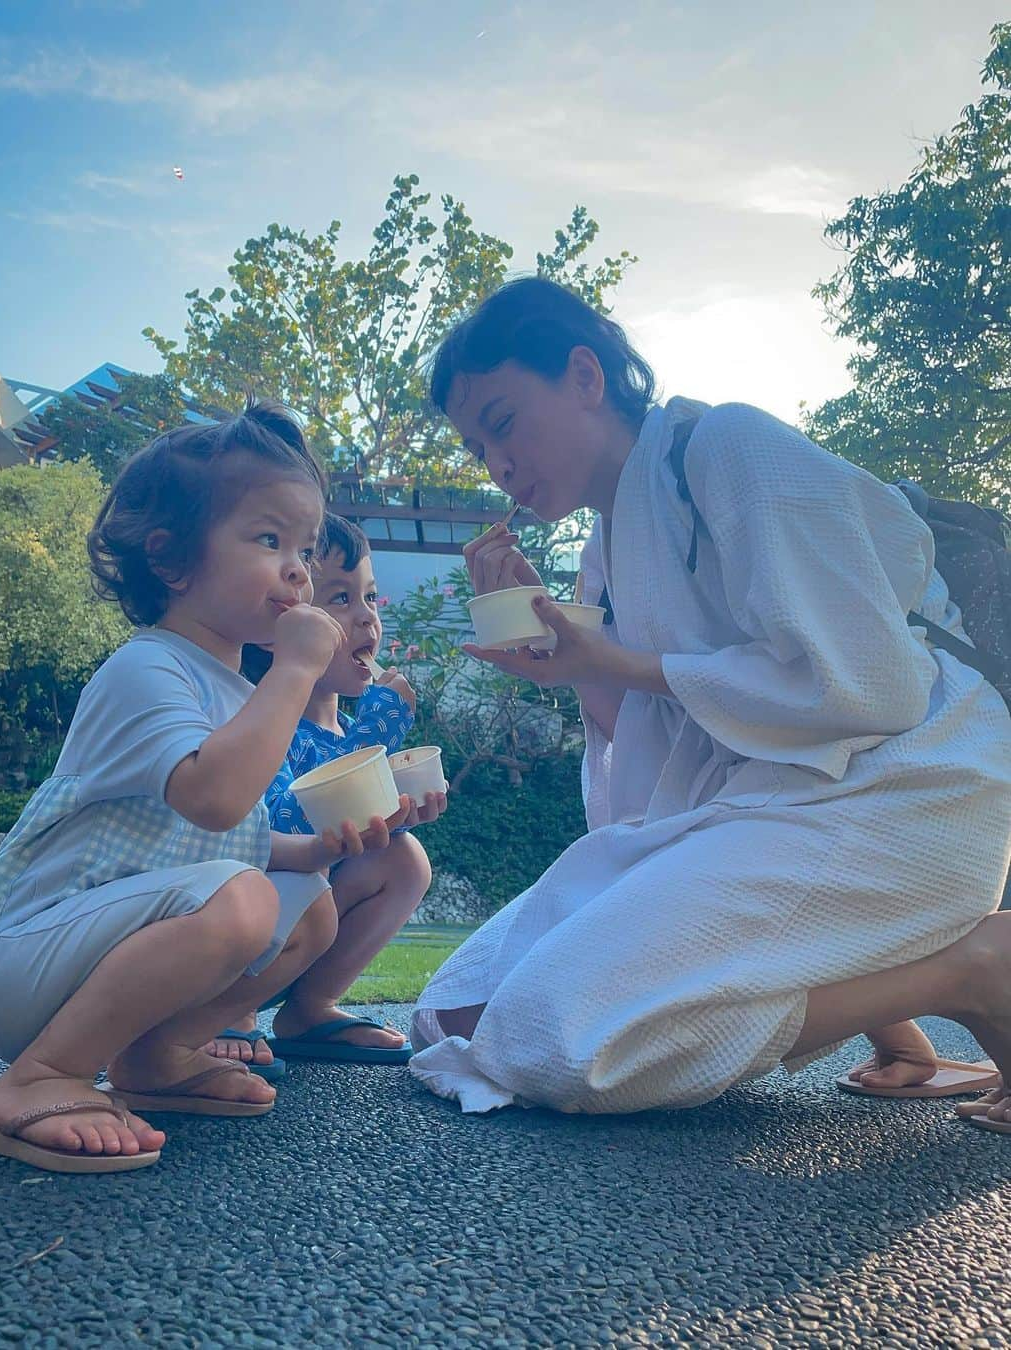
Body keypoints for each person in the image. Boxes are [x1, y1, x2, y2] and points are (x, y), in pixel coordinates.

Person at [408, 277, 1011, 1131]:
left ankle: (974, 967)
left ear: (586, 376)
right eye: (478, 451)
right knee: (458, 1010)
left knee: (557, 1040)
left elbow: (871, 685)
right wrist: (563, 658)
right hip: (779, 802)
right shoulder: (605, 553)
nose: (498, 465)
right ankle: (907, 1004)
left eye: (502, 423)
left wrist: (617, 657)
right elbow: (652, 756)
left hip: (912, 785)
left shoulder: (729, 447)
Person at [0, 400, 411, 1173]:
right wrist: (295, 669)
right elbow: (212, 799)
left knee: (309, 908)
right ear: (171, 562)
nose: (299, 570)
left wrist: (326, 848)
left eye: (303, 546)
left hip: (96, 961)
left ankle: (158, 1055)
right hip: (18, 960)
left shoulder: (237, 692)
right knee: (248, 899)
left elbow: (245, 838)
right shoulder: (149, 666)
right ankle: (40, 1077)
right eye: (269, 540)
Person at [210, 514, 445, 1072]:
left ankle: (310, 1009)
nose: (367, 617)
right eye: (339, 599)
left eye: (369, 596)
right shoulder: (263, 716)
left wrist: (399, 816)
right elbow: (284, 827)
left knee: (404, 860)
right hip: (230, 942)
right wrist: (374, 735)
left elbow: (345, 835)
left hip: (296, 942)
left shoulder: (344, 734)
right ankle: (223, 1012)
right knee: (298, 872)